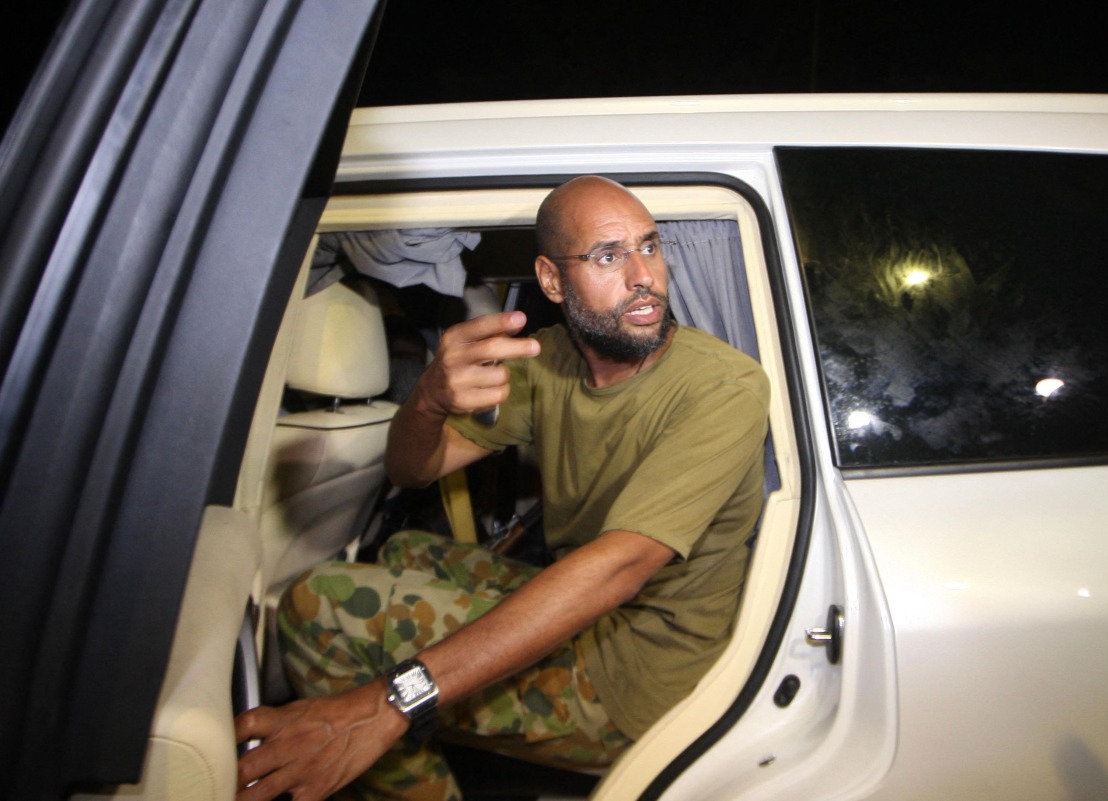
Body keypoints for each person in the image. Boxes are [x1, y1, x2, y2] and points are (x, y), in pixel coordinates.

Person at [235, 176, 770, 801]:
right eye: (607, 256)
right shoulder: (549, 358)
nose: (643, 276)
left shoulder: (723, 387)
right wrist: (428, 398)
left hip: (641, 672)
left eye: (649, 247)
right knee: (406, 550)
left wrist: (388, 703)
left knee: (317, 605)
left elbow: (620, 568)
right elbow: (413, 469)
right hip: (590, 613)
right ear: (551, 280)